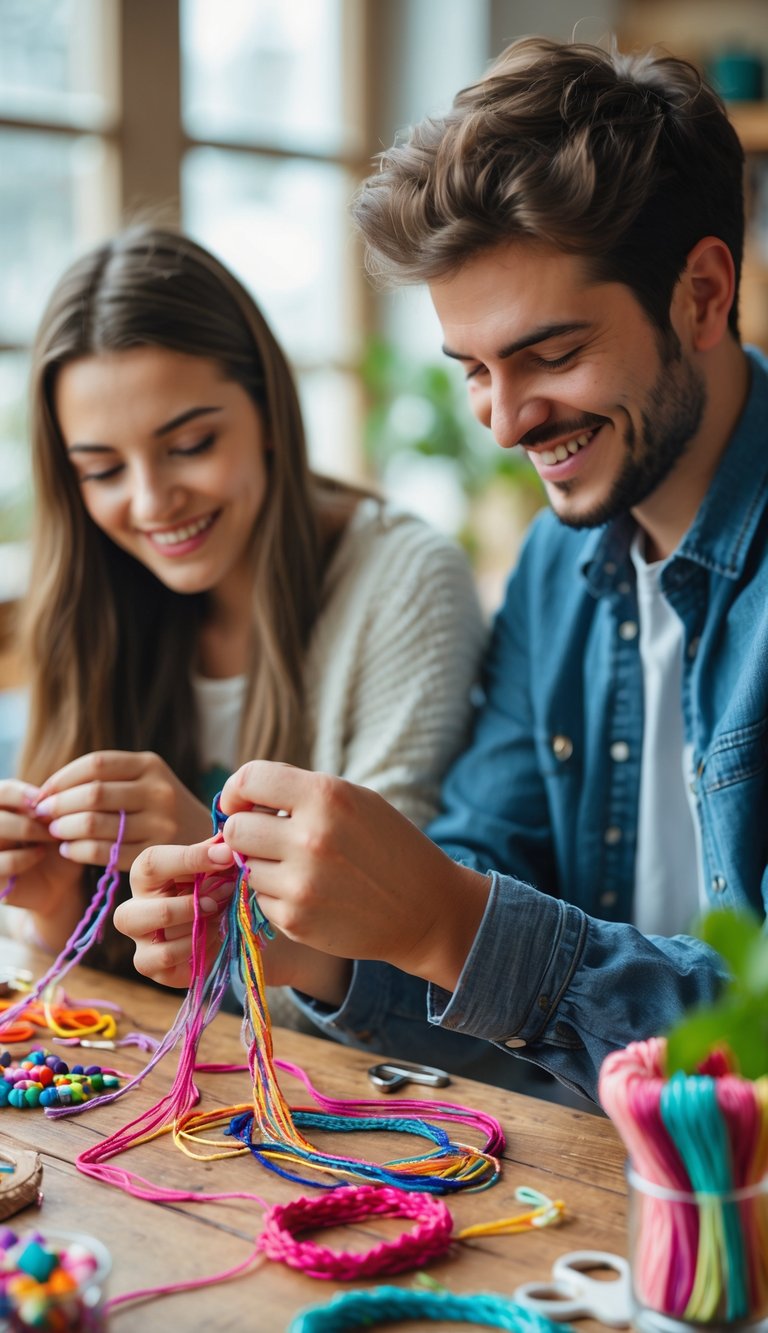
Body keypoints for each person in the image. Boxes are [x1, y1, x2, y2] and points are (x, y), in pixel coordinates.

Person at [116, 36, 768, 1104]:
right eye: (473, 368)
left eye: (551, 355)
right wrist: (319, 944)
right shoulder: (560, 565)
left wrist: (447, 922)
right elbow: (484, 890)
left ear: (700, 294)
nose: (504, 420)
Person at [0, 225, 486, 984]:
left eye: (190, 444)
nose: (152, 502)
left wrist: (215, 853)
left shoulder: (404, 580)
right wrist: (54, 902)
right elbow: (122, 1002)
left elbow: (402, 975)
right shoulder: (91, 596)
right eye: (102, 470)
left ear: (267, 410)